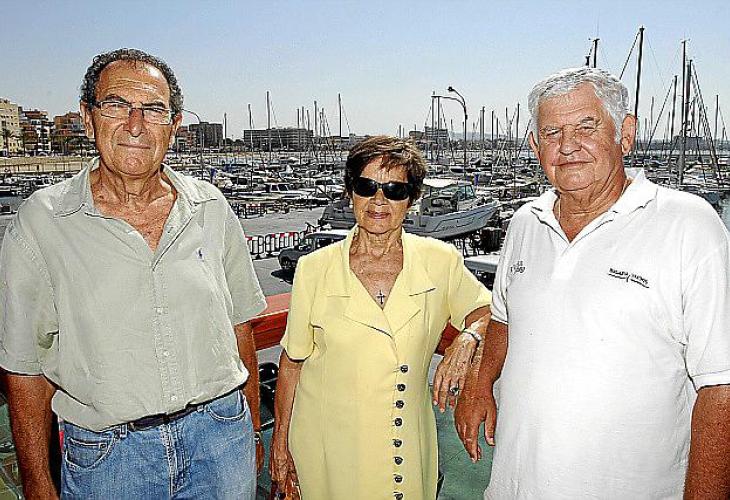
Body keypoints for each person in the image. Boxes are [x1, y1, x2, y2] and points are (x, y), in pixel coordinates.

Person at [0, 48, 267, 499]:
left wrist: (252, 430)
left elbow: (240, 326)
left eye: (154, 109)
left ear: (174, 126)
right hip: (110, 460)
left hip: (221, 440)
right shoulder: (42, 223)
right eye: (116, 105)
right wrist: (38, 482)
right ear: (88, 119)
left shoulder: (210, 208)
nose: (136, 124)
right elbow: (25, 367)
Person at [455, 66, 730, 499]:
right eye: (552, 132)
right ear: (535, 145)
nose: (568, 146)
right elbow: (503, 318)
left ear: (626, 134)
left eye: (587, 126)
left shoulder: (689, 224)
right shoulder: (525, 222)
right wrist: (480, 382)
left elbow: (720, 385)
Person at [270, 136, 491, 500]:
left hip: (403, 443)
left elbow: (489, 311)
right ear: (350, 193)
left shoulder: (440, 261)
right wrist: (280, 445)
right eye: (366, 186)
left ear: (411, 199)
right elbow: (293, 363)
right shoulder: (313, 269)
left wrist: (468, 339)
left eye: (394, 190)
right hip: (326, 446)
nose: (378, 200)